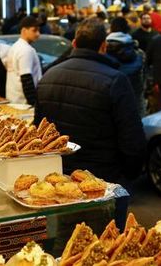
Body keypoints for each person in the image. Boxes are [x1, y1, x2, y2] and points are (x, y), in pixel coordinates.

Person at [34, 18, 146, 228]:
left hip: (61, 179)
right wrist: (130, 174)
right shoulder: (115, 80)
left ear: (74, 44)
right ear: (103, 46)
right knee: (105, 245)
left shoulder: (49, 76)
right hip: (104, 182)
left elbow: (38, 133)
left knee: (66, 245)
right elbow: (132, 138)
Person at [106, 31, 146, 115]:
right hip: (136, 96)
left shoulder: (106, 58)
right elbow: (143, 77)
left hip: (115, 100)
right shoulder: (139, 55)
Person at [6, 16, 43, 105]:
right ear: (24, 31)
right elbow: (26, 79)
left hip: (13, 100)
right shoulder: (26, 50)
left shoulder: (15, 47)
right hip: (24, 104)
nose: (38, 34)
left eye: (39, 30)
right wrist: (33, 103)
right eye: (34, 30)